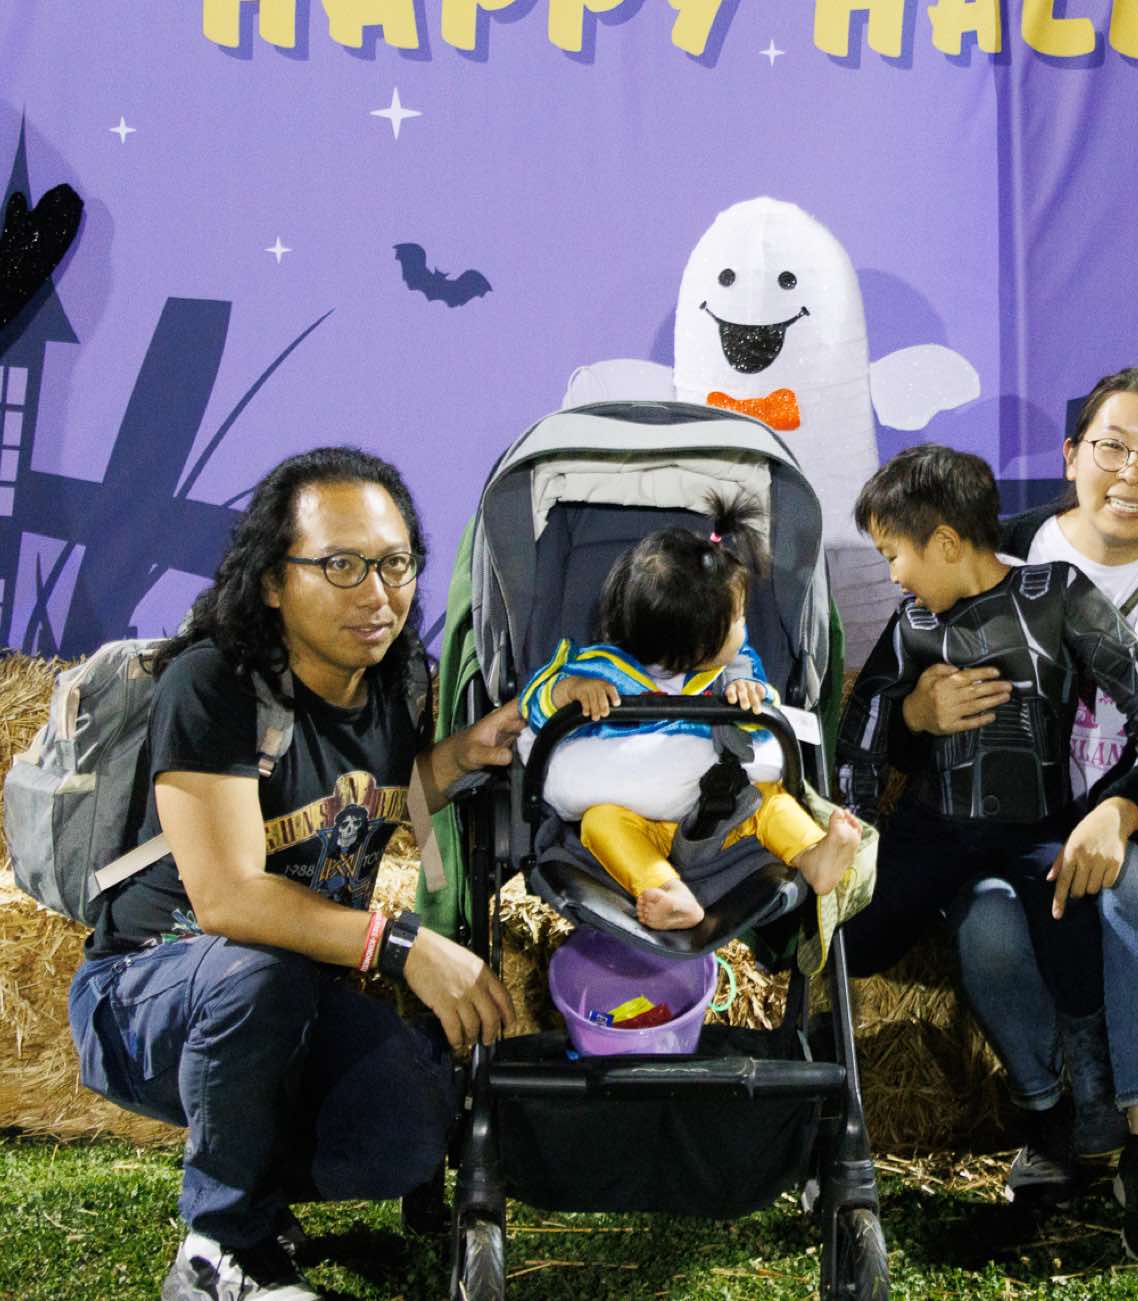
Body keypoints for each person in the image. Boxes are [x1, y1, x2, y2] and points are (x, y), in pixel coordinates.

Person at [66, 447, 528, 1301]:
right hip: (146, 993)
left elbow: (373, 803)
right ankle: (220, 1251)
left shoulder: (396, 682)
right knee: (260, 971)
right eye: (342, 565)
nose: (378, 593)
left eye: (395, 564)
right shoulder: (214, 683)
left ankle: (254, 1179)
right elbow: (229, 898)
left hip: (293, 994)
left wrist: (463, 752)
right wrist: (403, 944)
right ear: (274, 581)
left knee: (406, 1123)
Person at [916, 367, 1138, 1260]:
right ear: (1072, 455)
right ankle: (1053, 1116)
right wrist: (922, 708)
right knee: (988, 921)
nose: (1131, 473)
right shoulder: (992, 558)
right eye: (1113, 447)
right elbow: (911, 686)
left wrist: (1123, 809)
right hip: (1016, 832)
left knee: (1134, 889)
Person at [834, 445, 1138, 1081]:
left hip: (1040, 827)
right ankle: (1037, 1097)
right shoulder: (911, 624)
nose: (892, 577)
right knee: (852, 944)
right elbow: (861, 731)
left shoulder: (1057, 593)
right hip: (933, 826)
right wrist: (853, 833)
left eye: (893, 556)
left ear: (946, 543)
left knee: (1073, 939)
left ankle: (1088, 1088)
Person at [517, 495, 861, 931]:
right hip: (636, 814)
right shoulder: (600, 667)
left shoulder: (734, 672)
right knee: (600, 822)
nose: (745, 629)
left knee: (771, 802)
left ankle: (813, 855)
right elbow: (535, 699)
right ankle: (666, 889)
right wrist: (568, 691)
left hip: (722, 813)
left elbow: (761, 720)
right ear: (699, 642)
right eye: (738, 620)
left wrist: (750, 697)